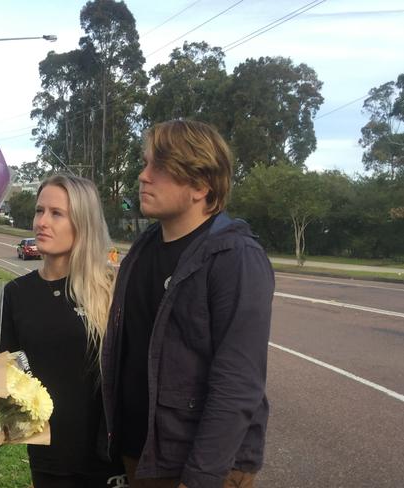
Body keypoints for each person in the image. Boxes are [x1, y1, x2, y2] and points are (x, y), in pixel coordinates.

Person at [100, 120, 275, 488]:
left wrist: (199, 479)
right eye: (145, 163)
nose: (143, 176)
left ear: (200, 184)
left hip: (198, 466)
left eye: (159, 168)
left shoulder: (235, 258)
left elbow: (238, 384)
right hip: (141, 453)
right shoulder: (144, 249)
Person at [0, 174, 126, 488]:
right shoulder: (17, 293)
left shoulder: (112, 289)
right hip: (50, 459)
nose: (42, 221)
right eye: (39, 211)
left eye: (57, 213)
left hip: (109, 460)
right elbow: (13, 368)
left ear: (82, 223)